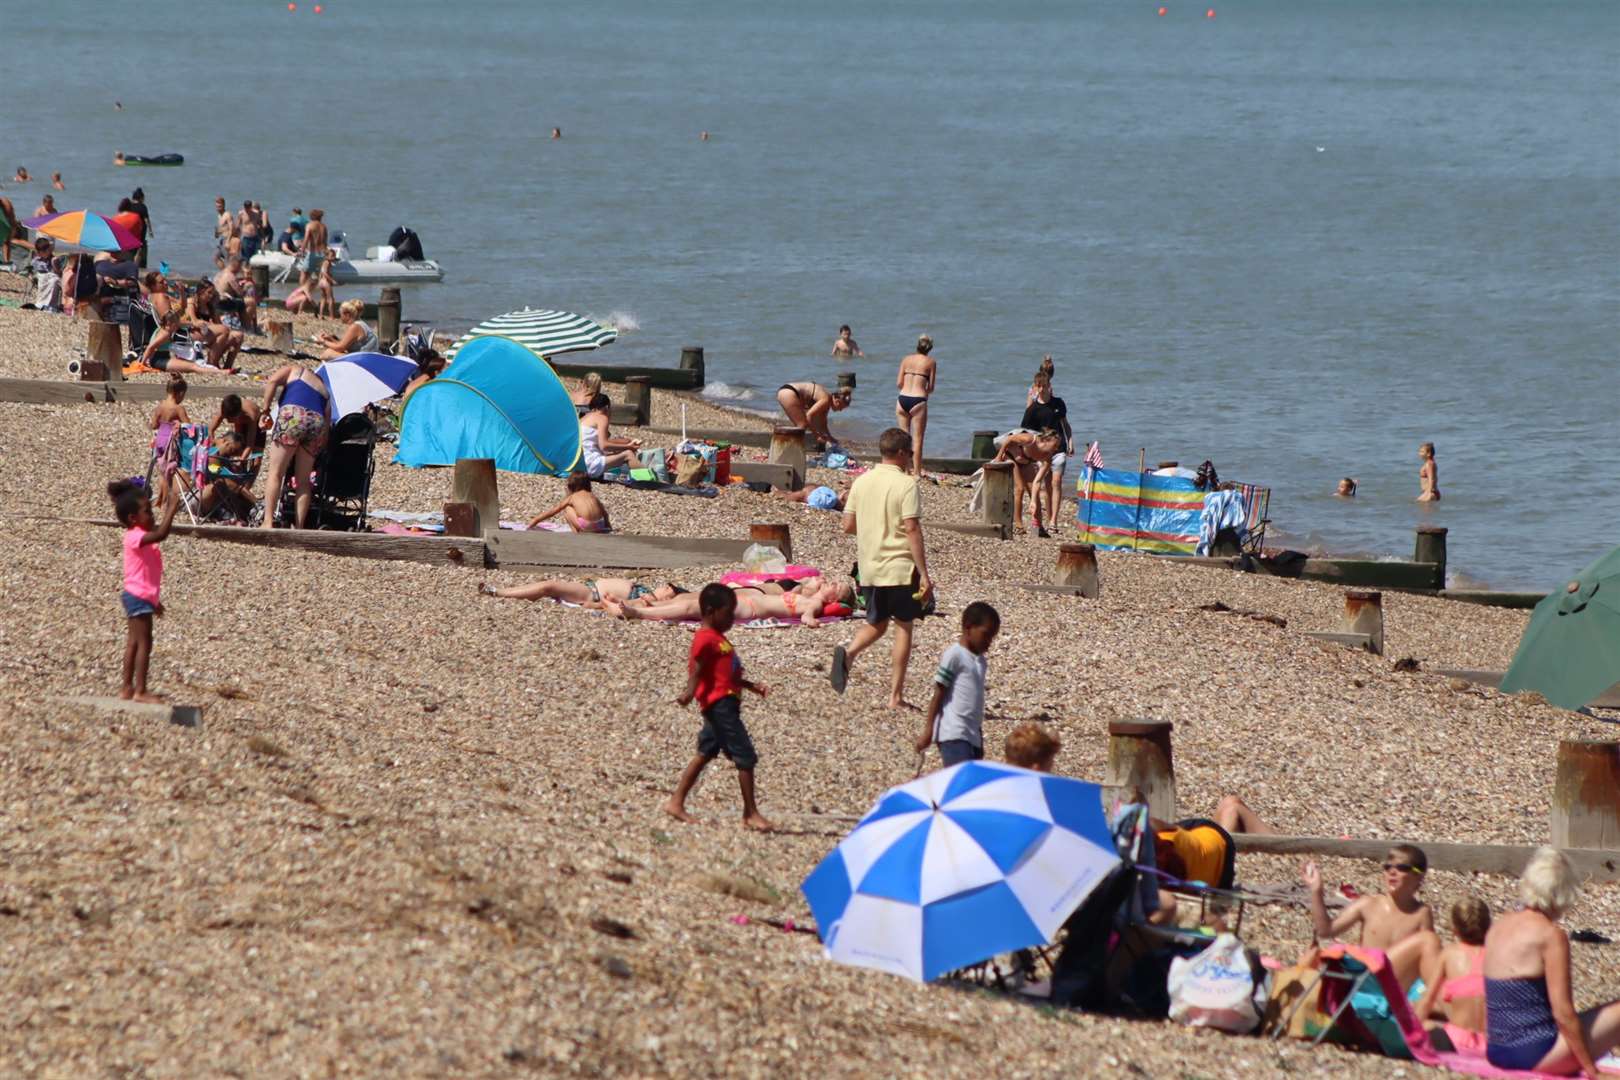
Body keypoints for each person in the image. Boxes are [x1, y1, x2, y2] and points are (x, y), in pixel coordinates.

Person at [1481, 846, 1620, 1074]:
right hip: (1534, 1054)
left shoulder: (1499, 925)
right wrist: (1590, 1070)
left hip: (1497, 1050)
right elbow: (1563, 1013)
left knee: (1602, 1013)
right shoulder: (1550, 935)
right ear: (1562, 895)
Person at [830, 427, 933, 709]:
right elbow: (912, 528)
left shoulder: (861, 482)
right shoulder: (906, 484)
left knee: (876, 623)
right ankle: (895, 696)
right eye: (910, 452)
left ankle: (849, 653)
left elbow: (847, 525)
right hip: (899, 566)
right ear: (901, 453)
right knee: (903, 627)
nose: (912, 457)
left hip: (870, 567)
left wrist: (874, 525)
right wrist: (924, 573)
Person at [666, 583, 773, 830]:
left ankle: (676, 801)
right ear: (712, 611)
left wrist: (751, 685)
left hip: (726, 702)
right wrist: (689, 693)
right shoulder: (705, 639)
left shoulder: (719, 639)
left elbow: (727, 673)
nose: (732, 617)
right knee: (745, 756)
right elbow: (698, 668)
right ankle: (750, 813)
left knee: (705, 753)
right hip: (719, 705)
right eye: (728, 612)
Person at [1303, 844, 1440, 990]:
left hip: (1400, 987)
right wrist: (1316, 891)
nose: (1392, 872)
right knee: (1429, 941)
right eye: (1387, 867)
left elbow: (1428, 961)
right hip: (1369, 980)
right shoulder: (1368, 904)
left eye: (1401, 868)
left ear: (1418, 876)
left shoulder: (1421, 913)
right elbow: (1326, 931)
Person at [107, 477, 180, 703]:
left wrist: (154, 601)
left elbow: (145, 574)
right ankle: (140, 690)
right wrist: (171, 510)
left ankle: (127, 688)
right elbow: (161, 534)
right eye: (147, 511)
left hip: (139, 596)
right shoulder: (135, 536)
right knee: (143, 643)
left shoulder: (137, 537)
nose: (152, 516)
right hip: (137, 596)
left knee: (133, 642)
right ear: (133, 518)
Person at [915, 602, 999, 766]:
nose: (989, 641)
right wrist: (929, 730)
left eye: (992, 637)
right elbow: (939, 694)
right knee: (960, 781)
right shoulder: (954, 655)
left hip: (973, 734)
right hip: (954, 733)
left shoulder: (981, 661)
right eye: (986, 635)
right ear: (968, 628)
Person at [1414, 897, 1491, 1056]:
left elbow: (1427, 1001)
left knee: (1424, 1024)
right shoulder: (1497, 956)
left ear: (1454, 929)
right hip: (1491, 1045)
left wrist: (1412, 1032)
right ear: (1488, 926)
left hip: (1454, 1042)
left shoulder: (1450, 954)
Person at [258, 363, 332, 529]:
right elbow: (326, 428)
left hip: (293, 415)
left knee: (276, 473)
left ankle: (268, 521)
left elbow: (272, 381)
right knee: (304, 481)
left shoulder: (296, 369)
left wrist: (265, 410)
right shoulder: (325, 392)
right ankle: (299, 527)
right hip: (316, 422)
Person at [607, 578, 850, 628]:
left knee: (694, 609)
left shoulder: (813, 605)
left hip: (750, 609)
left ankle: (636, 613)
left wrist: (813, 621)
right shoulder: (806, 596)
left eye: (836, 586)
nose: (831, 582)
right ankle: (642, 608)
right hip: (749, 601)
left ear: (833, 598)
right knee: (695, 606)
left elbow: (808, 617)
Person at [1022, 366, 1074, 528]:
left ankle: (1053, 521)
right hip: (1041, 454)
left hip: (1059, 450)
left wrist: (1070, 441)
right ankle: (1047, 516)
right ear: (1036, 388)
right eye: (1040, 386)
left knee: (1056, 482)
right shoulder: (1032, 410)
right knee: (1046, 484)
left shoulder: (1058, 403)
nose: (1043, 389)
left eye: (1046, 386)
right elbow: (1025, 433)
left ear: (1049, 386)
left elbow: (1065, 425)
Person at [993, 429, 1063, 536]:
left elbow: (1037, 481)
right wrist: (999, 456)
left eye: (1058, 446)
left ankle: (1037, 527)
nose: (1056, 449)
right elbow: (1009, 440)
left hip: (1026, 463)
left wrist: (1033, 500)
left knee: (1034, 493)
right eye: (1055, 445)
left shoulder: (1047, 457)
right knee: (1020, 489)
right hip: (1011, 457)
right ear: (1046, 441)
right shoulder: (1030, 439)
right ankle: (1018, 525)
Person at [479, 576, 686, 607]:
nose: (666, 587)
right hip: (590, 589)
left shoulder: (648, 601)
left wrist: (597, 604)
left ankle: (499, 592)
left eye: (670, 589)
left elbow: (619, 605)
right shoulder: (647, 594)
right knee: (546, 586)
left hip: (591, 594)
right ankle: (502, 591)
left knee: (548, 586)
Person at [894, 335, 936, 475]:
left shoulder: (906, 359)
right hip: (918, 400)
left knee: (904, 439)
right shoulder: (930, 362)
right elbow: (931, 388)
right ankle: (917, 472)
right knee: (917, 439)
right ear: (930, 348)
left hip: (902, 399)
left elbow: (899, 383)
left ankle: (905, 470)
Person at [148, 374, 192, 505]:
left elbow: (154, 425)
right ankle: (165, 500)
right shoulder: (178, 408)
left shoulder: (160, 406)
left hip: (160, 439)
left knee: (162, 470)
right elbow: (188, 426)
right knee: (170, 471)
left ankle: (160, 498)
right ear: (180, 393)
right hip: (170, 442)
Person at [578, 392, 640, 478]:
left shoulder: (584, 418)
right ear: (607, 407)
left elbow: (598, 443)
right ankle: (650, 480)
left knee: (618, 453)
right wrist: (629, 447)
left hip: (580, 465)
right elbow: (604, 446)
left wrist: (625, 443)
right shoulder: (602, 417)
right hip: (590, 464)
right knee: (628, 454)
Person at [185, 280, 243, 368]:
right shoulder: (191, 302)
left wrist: (215, 304)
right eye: (209, 293)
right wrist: (209, 324)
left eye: (213, 293)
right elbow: (194, 322)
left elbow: (219, 324)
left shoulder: (210, 306)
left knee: (238, 335)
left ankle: (228, 366)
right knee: (224, 330)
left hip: (206, 332)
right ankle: (212, 362)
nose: (211, 296)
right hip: (192, 333)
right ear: (201, 291)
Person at [528, 472, 612, 533]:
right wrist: (608, 527)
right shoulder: (592, 496)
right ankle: (592, 529)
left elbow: (553, 511)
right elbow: (605, 514)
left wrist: (536, 520)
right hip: (600, 525)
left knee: (567, 509)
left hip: (586, 526)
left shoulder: (572, 497)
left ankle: (576, 533)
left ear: (572, 486)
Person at [775, 380, 850, 446]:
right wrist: (817, 436)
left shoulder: (827, 401)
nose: (840, 410)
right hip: (789, 393)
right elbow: (808, 416)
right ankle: (785, 447)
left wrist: (830, 438)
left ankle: (787, 445)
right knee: (802, 426)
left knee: (801, 426)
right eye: (841, 408)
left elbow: (823, 424)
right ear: (837, 401)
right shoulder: (826, 400)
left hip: (787, 391)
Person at [213, 256, 259, 334]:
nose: (240, 269)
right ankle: (246, 327)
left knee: (241, 302)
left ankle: (243, 325)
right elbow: (240, 293)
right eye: (240, 266)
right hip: (223, 304)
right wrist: (247, 286)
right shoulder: (231, 276)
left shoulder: (220, 273)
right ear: (236, 265)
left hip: (215, 301)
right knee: (251, 302)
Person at [297, 208, 328, 290]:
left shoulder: (310, 225)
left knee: (304, 272)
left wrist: (302, 250)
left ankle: (302, 291)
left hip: (313, 253)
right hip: (323, 253)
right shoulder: (324, 226)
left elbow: (306, 239)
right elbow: (325, 241)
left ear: (311, 217)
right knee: (317, 275)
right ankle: (314, 291)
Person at [772, 483, 843, 511]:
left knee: (788, 496)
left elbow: (787, 497)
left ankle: (777, 492)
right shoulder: (812, 488)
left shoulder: (806, 492)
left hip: (816, 496)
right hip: (830, 495)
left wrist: (777, 492)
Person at [130, 188, 153, 268]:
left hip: (130, 231)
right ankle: (138, 267)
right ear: (141, 198)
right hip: (140, 232)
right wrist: (150, 231)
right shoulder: (142, 207)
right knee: (140, 249)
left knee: (131, 250)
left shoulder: (129, 206)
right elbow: (146, 220)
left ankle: (130, 265)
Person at [315, 254, 338, 319]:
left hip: (322, 282)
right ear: (327, 256)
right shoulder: (327, 262)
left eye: (334, 256)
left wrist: (319, 281)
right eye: (332, 256)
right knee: (331, 299)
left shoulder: (324, 262)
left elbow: (320, 273)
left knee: (323, 298)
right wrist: (332, 280)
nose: (334, 257)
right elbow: (324, 273)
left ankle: (321, 314)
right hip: (326, 282)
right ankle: (331, 316)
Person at [0, 195, 16, 265]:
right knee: (7, 242)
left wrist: (13, 227)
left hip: (5, 225)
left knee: (7, 242)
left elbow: (11, 217)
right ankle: (6, 261)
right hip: (6, 225)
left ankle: (6, 261)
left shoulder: (5, 202)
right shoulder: (5, 202)